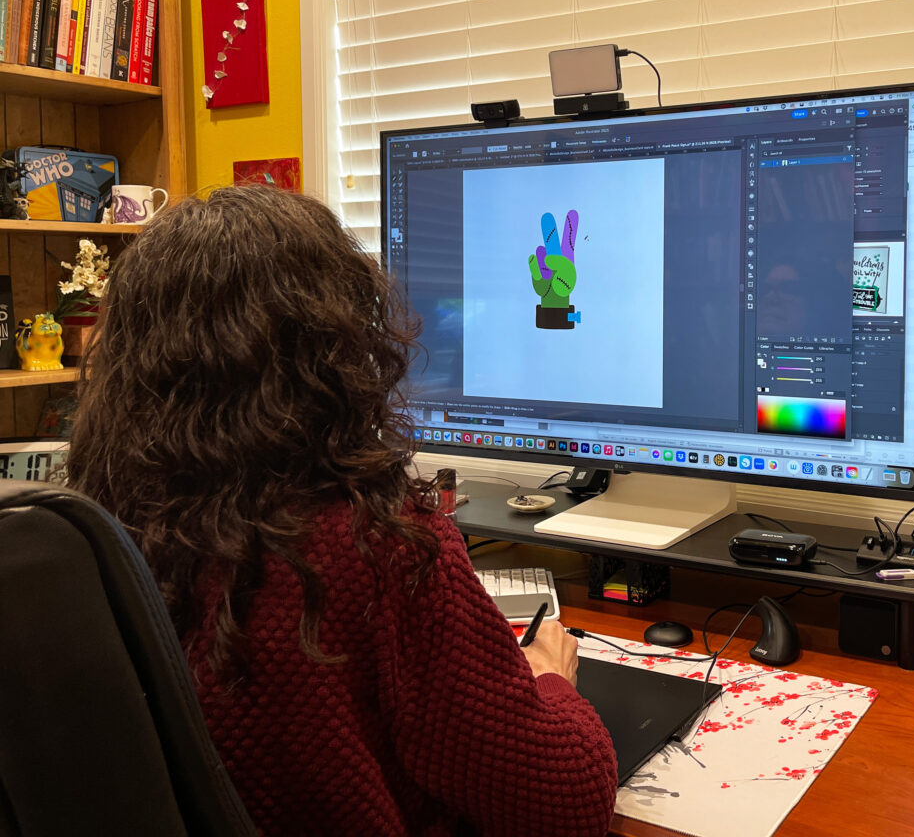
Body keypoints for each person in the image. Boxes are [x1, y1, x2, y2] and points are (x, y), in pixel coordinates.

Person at [66, 185, 618, 837]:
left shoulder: (96, 537)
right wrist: (552, 682)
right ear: (332, 348)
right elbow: (565, 803)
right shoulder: (379, 547)